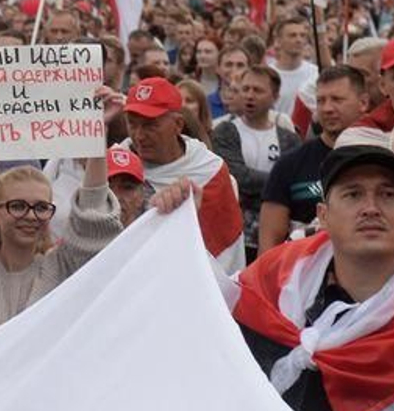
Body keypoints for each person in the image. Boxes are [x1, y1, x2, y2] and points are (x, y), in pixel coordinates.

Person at [232, 146, 394, 411]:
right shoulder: (273, 283)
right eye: (353, 195)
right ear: (323, 215)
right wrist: (172, 217)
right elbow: (200, 320)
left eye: (388, 195)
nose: (371, 209)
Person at [0, 85, 132, 347]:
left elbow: (93, 210)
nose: (31, 216)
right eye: (18, 206)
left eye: (42, 207)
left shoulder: (62, 267)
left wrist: (95, 135)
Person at [121, 76, 246, 271]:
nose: (139, 135)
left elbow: (223, 251)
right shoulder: (116, 165)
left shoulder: (210, 172)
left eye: (149, 125)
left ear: (178, 125)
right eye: (132, 124)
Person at [259, 66, 370, 256]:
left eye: (337, 99)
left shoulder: (381, 158)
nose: (327, 108)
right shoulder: (290, 164)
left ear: (363, 102)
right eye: (321, 101)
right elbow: (269, 245)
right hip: (304, 274)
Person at [211, 65, 300, 261]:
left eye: (257, 90)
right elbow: (236, 176)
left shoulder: (288, 139)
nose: (250, 95)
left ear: (275, 96)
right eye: (246, 89)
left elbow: (294, 182)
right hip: (237, 235)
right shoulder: (225, 131)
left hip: (277, 236)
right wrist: (278, 186)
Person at [266, 17, 318, 117]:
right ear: (278, 41)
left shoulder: (314, 72)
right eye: (292, 35)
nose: (298, 40)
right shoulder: (267, 74)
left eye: (302, 36)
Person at [106, 145, 149, 227]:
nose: (116, 197)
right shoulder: (78, 236)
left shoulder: (155, 236)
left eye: (127, 188)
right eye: (107, 187)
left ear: (142, 195)